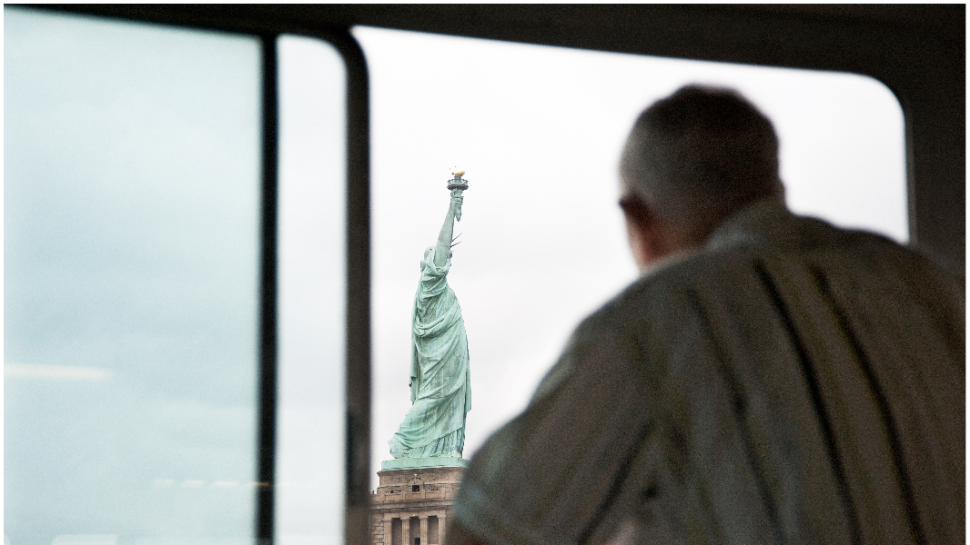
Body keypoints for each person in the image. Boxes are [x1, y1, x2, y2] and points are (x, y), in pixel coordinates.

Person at [446, 86, 964, 544]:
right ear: (774, 188)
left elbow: (491, 533)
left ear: (639, 220)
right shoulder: (939, 288)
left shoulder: (656, 321)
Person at [389, 188, 472, 460]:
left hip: (450, 353)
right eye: (438, 257)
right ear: (429, 265)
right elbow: (443, 243)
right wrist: (453, 206)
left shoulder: (439, 288)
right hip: (439, 356)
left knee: (445, 400)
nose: (445, 259)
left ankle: (443, 449)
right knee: (434, 397)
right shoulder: (429, 285)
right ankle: (403, 440)